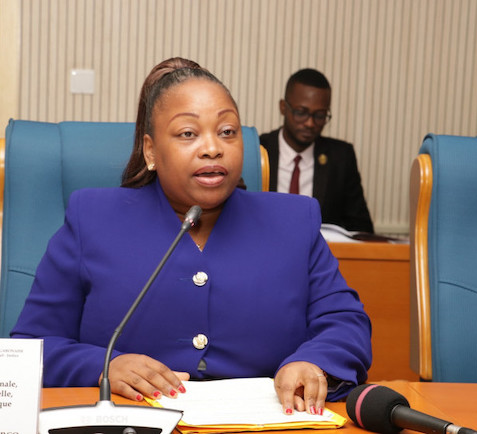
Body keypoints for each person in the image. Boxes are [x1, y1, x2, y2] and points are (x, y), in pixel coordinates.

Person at [11, 58, 371, 415]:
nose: (212, 147)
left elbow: (345, 323)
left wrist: (313, 363)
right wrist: (104, 366)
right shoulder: (91, 218)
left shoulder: (293, 221)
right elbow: (31, 346)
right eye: (188, 133)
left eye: (227, 131)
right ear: (151, 151)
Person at [260, 68, 374, 233]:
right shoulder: (258, 150)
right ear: (283, 107)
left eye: (320, 115)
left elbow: (361, 228)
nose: (310, 123)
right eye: (301, 113)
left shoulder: (341, 158)